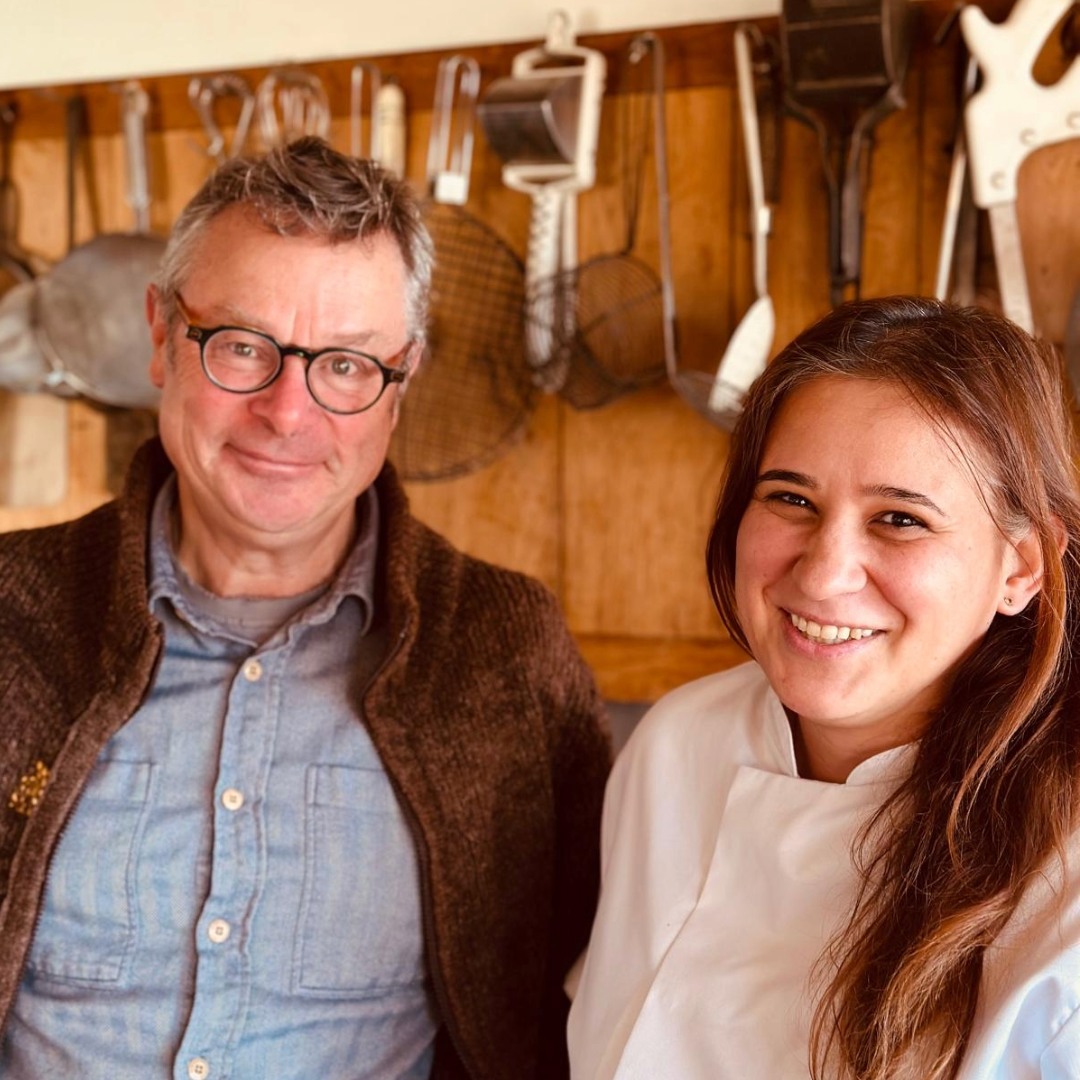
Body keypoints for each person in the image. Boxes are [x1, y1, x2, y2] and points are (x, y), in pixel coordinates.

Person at [0, 137, 610, 1080]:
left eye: (347, 365)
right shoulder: (12, 614)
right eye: (243, 347)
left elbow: (578, 980)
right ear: (161, 336)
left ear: (400, 381)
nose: (289, 413)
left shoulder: (503, 652)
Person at [567, 296, 1080, 1080]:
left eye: (900, 519)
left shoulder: (1064, 870)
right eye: (791, 499)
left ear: (1021, 567)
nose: (823, 573)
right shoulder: (676, 745)